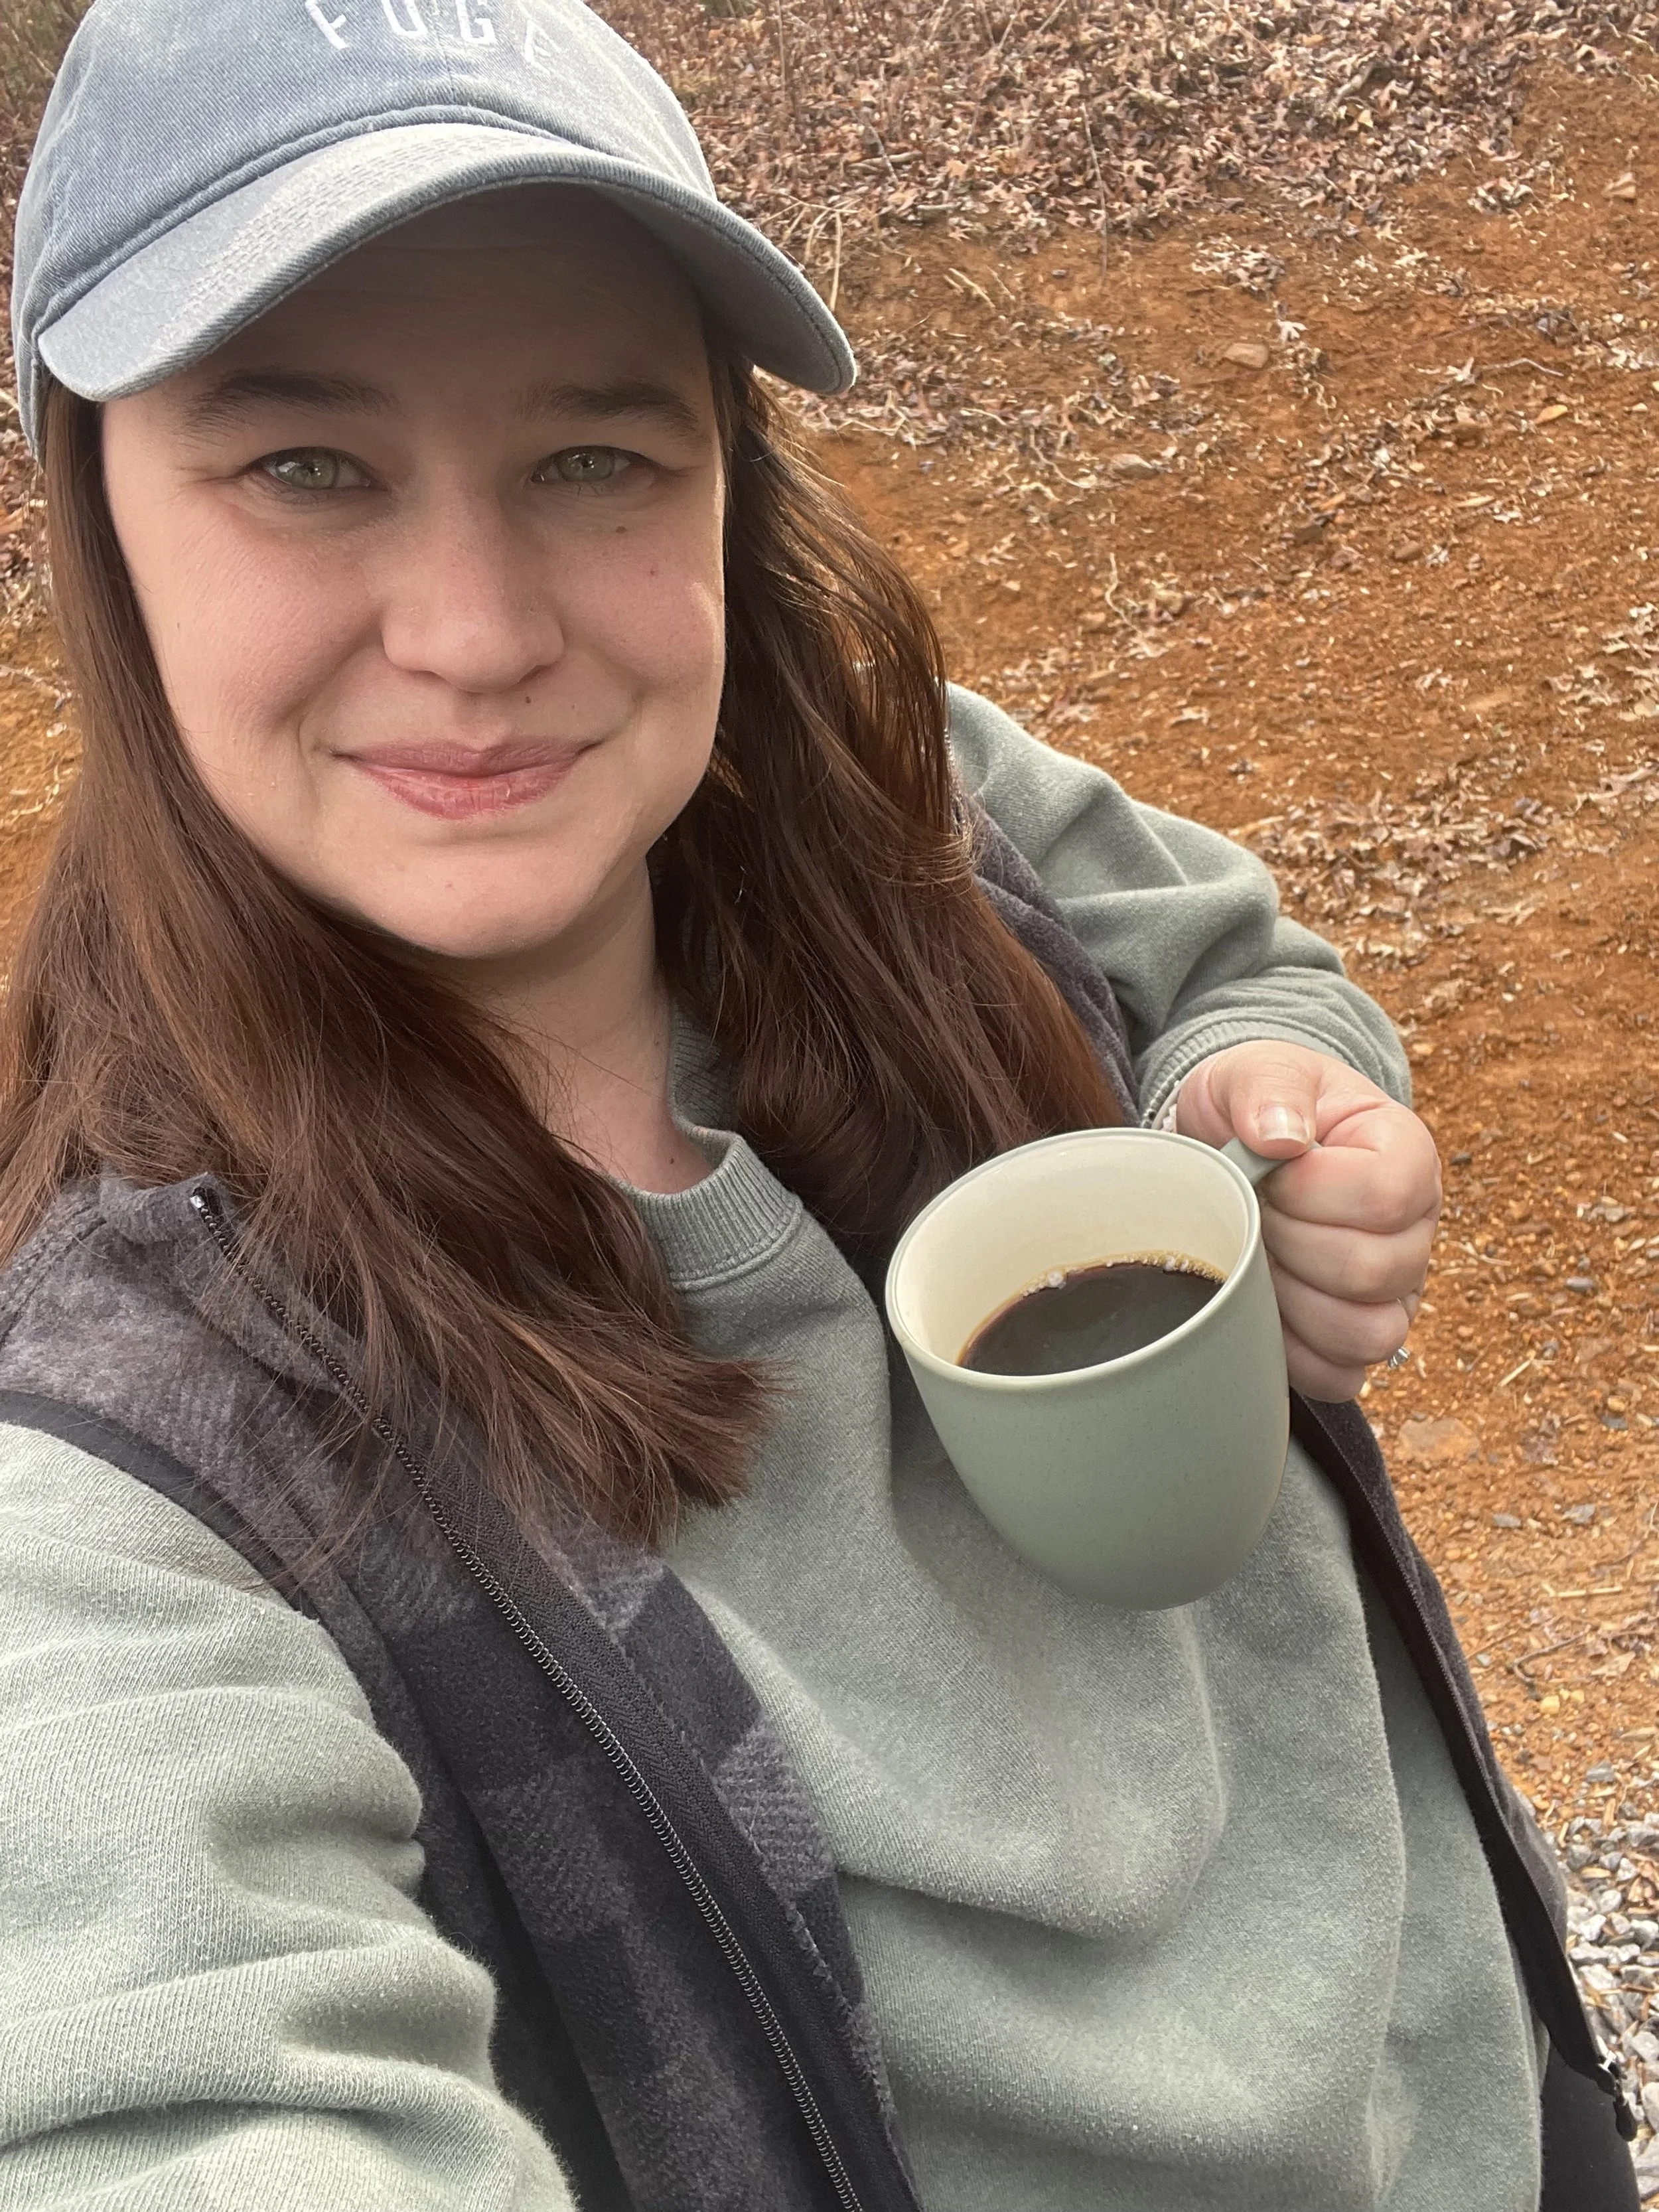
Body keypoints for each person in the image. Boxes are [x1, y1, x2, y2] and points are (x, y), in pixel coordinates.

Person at [0, 1, 1639, 2206]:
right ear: (86, 498)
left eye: (596, 454)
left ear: (723, 485)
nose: (478, 632)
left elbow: (1221, 956)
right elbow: (154, 2068)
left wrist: (1280, 1091)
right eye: (307, 465)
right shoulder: (128, 1459)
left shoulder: (900, 792)